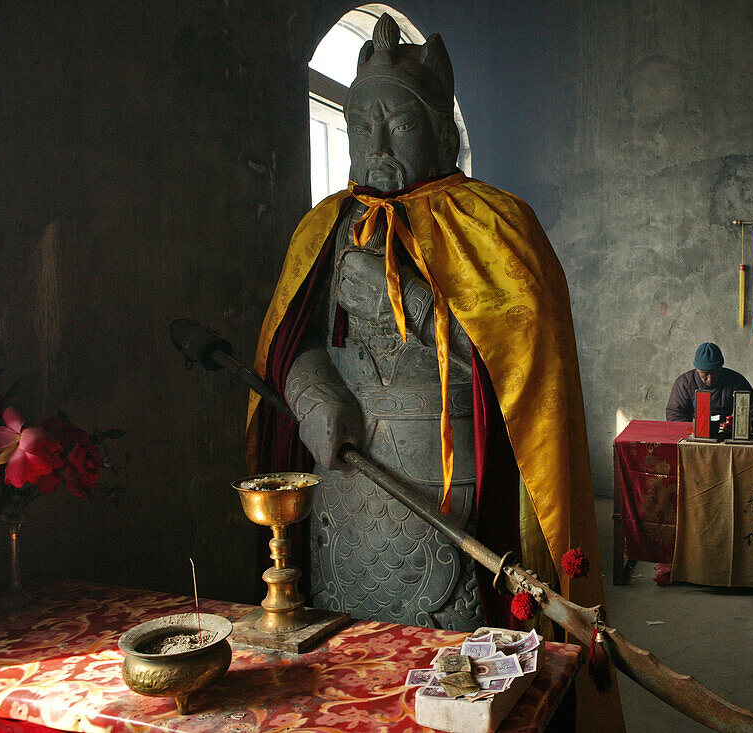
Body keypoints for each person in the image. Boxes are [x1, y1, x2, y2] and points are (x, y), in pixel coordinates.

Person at [245, 14, 621, 728]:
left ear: (441, 133)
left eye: (398, 123)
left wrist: (414, 302)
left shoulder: (496, 223)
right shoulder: (325, 228)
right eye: (362, 125)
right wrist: (311, 388)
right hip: (346, 483)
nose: (377, 145)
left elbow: (518, 370)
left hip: (448, 482)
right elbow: (291, 343)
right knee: (346, 658)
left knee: (455, 670)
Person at [666, 342, 753, 425]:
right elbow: (675, 415)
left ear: (721, 368)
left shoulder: (737, 381)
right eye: (705, 374)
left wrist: (738, 422)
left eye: (715, 373)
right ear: (697, 369)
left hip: (727, 434)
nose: (710, 379)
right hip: (694, 434)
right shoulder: (684, 383)